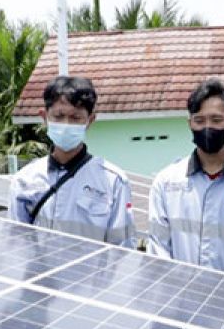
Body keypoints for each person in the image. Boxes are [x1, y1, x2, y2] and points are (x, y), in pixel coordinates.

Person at [147, 79, 224, 280]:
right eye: (199, 120)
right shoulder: (166, 183)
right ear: (189, 124)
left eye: (216, 120)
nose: (207, 128)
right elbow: (158, 248)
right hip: (177, 304)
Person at [8, 75, 135, 247]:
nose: (66, 124)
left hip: (92, 274)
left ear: (90, 120)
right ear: (44, 117)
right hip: (37, 274)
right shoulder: (24, 180)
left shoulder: (114, 182)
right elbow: (15, 246)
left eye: (76, 118)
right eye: (59, 116)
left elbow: (122, 249)